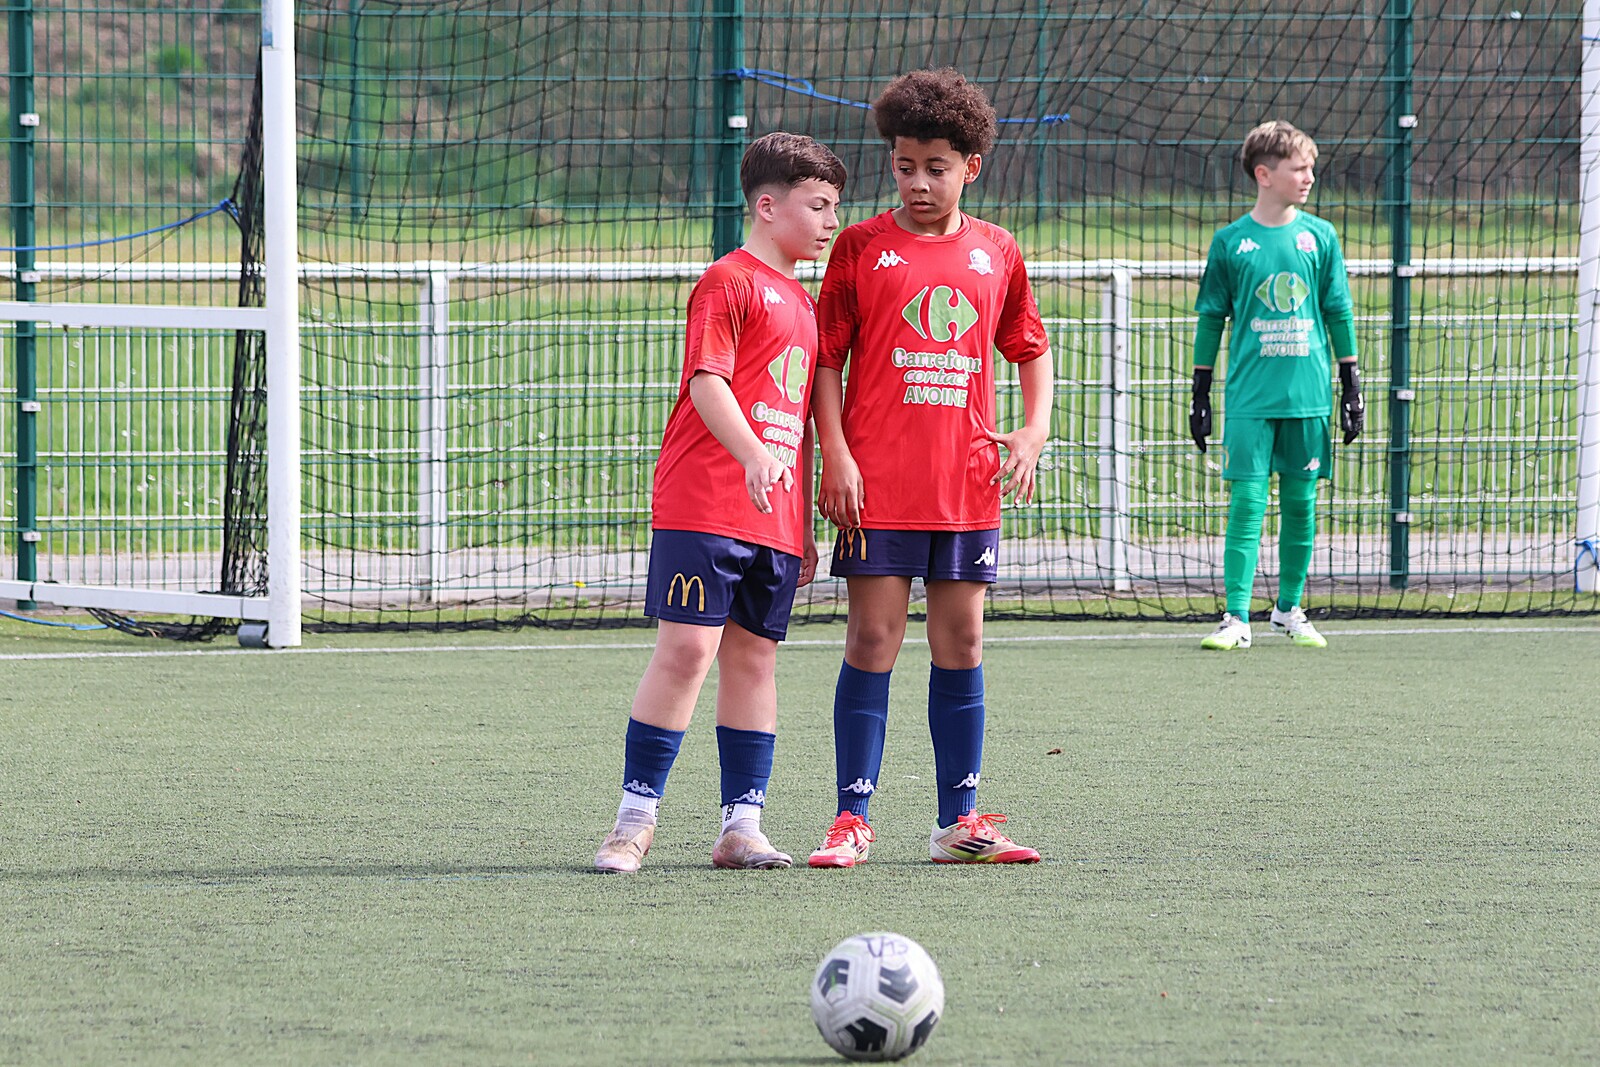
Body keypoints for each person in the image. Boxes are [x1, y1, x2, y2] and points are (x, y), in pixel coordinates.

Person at [805, 69, 1053, 869]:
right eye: (904, 165)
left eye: (936, 168)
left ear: (970, 168)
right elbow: (827, 360)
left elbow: (1030, 348)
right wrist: (836, 453)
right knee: (872, 635)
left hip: (966, 484)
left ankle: (959, 821)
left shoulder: (997, 250)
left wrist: (1033, 431)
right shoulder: (859, 247)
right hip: (877, 485)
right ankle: (851, 818)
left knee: (964, 640)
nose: (917, 181)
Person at [593, 132, 845, 873]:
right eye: (818, 205)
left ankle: (743, 827)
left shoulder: (806, 303)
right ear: (767, 206)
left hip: (774, 517)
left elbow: (799, 421)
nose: (831, 221)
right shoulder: (728, 280)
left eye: (835, 206)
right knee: (687, 651)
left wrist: (800, 522)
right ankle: (633, 821)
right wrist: (752, 455)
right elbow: (708, 382)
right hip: (703, 503)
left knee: (755, 660)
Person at [1188, 120, 1365, 651]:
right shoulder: (1231, 242)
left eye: (1311, 168)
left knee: (1301, 504)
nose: (1309, 177)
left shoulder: (1321, 237)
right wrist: (1200, 392)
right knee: (1247, 501)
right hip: (1250, 398)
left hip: (1308, 397)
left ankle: (1289, 609)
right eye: (1299, 168)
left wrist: (1351, 382)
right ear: (1264, 174)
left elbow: (1337, 311)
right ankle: (1236, 617)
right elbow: (1211, 319)